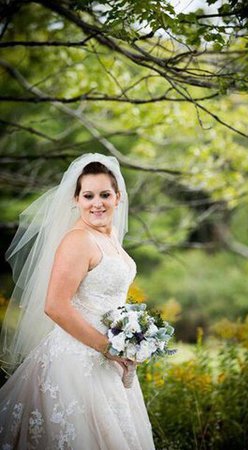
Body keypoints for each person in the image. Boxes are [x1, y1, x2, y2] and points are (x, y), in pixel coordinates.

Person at [0, 153, 156, 449]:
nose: (97, 203)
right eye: (88, 195)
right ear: (76, 199)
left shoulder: (109, 239)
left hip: (109, 359)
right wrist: (107, 347)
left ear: (118, 197)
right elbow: (55, 306)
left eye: (104, 194)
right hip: (76, 360)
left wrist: (131, 336)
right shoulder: (77, 240)